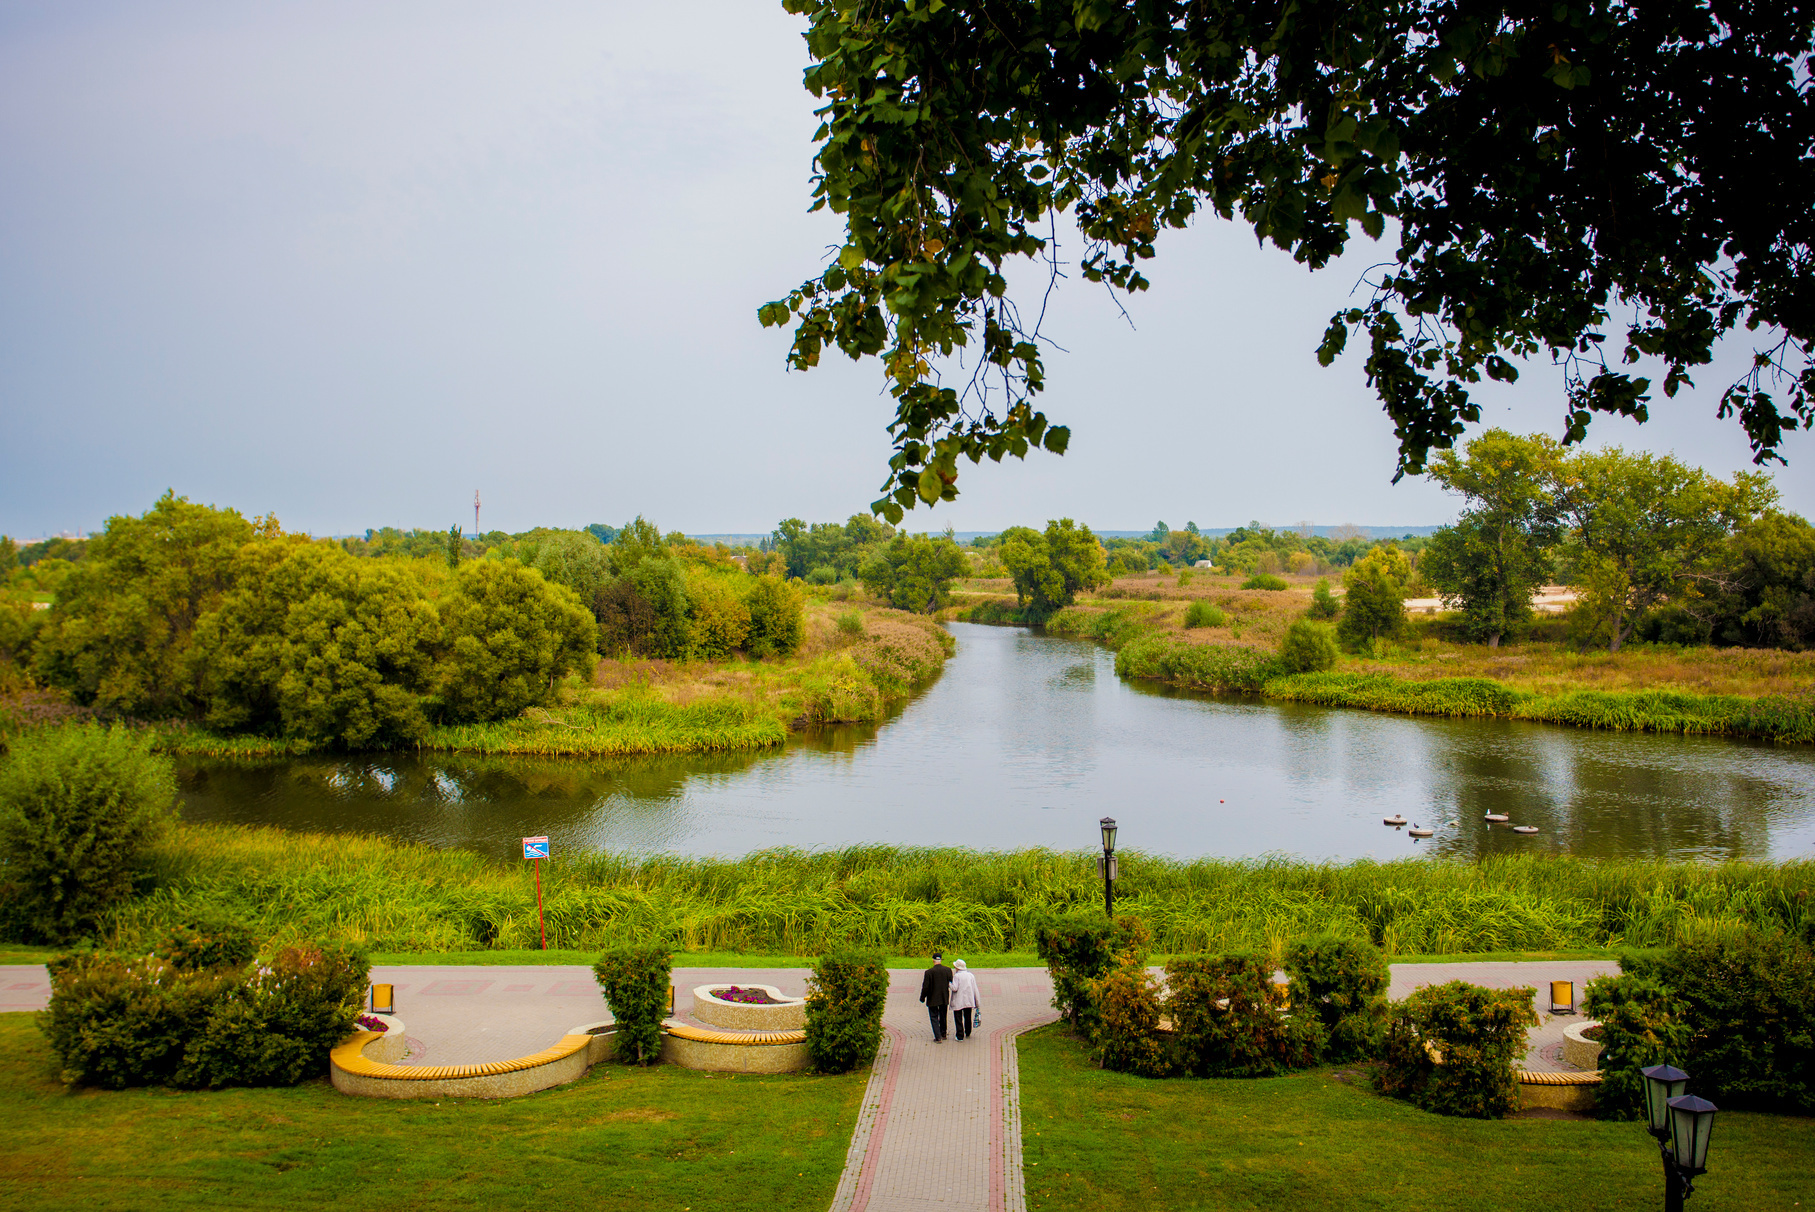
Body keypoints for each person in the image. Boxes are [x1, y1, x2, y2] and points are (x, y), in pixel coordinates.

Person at [919, 951, 953, 1042]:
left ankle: (938, 1037)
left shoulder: (929, 972)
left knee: (934, 1017)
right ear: (941, 960)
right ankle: (943, 1033)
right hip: (944, 997)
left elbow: (925, 987)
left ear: (933, 960)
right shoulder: (948, 970)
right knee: (943, 1015)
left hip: (932, 998)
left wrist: (922, 997)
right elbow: (951, 982)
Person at [949, 958, 981, 1041]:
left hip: (958, 1000)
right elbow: (975, 989)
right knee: (967, 1016)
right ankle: (968, 1031)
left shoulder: (957, 976)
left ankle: (960, 1035)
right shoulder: (970, 975)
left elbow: (955, 988)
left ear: (957, 968)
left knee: (958, 1017)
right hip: (969, 1000)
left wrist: (949, 984)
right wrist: (977, 1002)